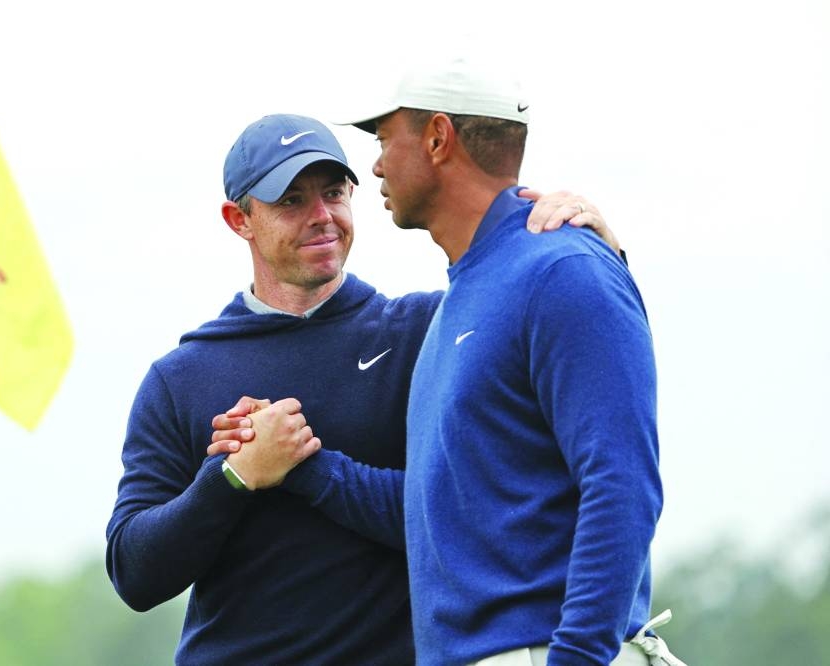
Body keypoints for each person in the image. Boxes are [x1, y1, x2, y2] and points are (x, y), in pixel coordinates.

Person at [106, 113, 621, 665]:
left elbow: (470, 513)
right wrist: (234, 475)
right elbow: (137, 575)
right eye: (291, 201)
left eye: (333, 193)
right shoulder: (181, 378)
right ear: (240, 220)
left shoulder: (428, 331)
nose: (321, 217)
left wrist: (604, 255)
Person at [325, 54, 685, 666]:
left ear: (438, 138)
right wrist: (305, 469)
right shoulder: (467, 296)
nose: (377, 165)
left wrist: (574, 659)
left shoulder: (562, 270)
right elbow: (438, 505)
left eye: (386, 139)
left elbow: (622, 483)